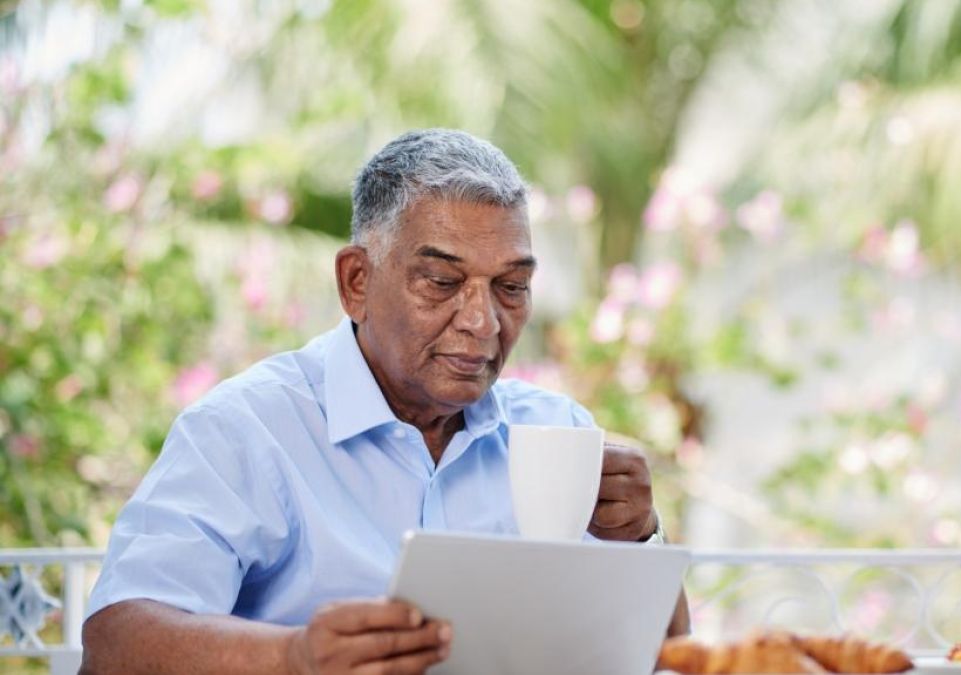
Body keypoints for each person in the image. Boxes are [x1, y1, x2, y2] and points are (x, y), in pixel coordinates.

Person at [81, 128, 689, 674]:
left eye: (511, 287)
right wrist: (292, 658)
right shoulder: (247, 429)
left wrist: (641, 539)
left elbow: (668, 655)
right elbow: (114, 644)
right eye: (443, 283)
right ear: (357, 282)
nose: (483, 322)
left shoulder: (556, 432)